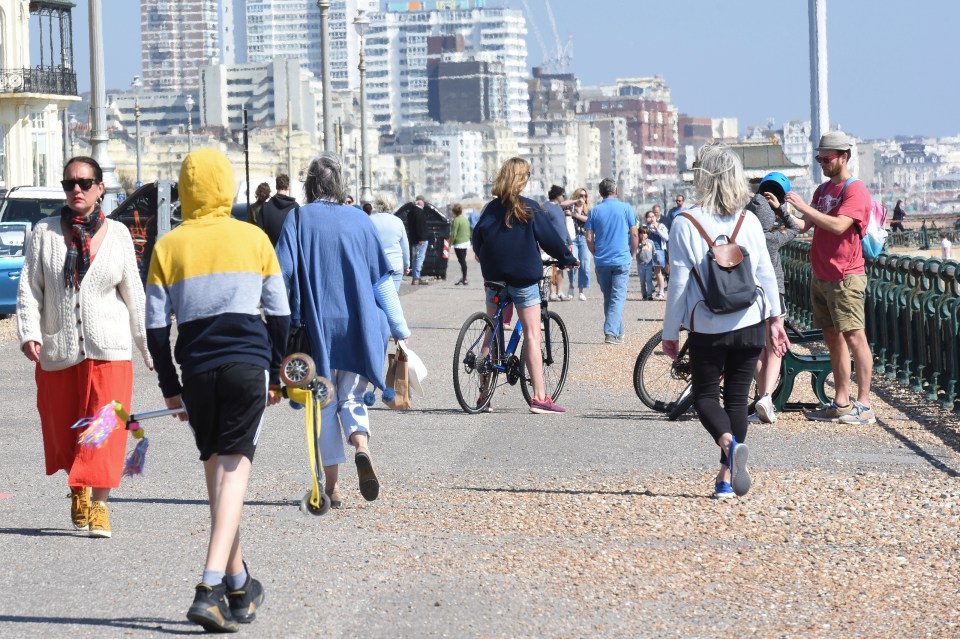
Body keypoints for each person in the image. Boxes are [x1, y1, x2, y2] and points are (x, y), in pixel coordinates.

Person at [145, 149, 288, 631]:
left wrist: (170, 386)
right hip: (247, 364)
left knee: (217, 475)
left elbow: (153, 329)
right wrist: (276, 368)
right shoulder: (253, 238)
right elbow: (281, 314)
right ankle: (208, 588)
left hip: (198, 371)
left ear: (184, 191)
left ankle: (239, 586)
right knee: (235, 473)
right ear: (227, 187)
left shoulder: (168, 245)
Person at [17, 155, 152, 539]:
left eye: (84, 182)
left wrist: (145, 345)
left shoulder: (120, 235)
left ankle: (101, 506)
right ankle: (78, 487)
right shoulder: (44, 232)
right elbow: (30, 288)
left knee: (104, 431)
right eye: (69, 183)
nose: (76, 189)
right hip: (59, 351)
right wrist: (30, 333)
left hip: (110, 350)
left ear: (100, 189)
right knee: (66, 429)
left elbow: (134, 295)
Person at [275, 152, 411, 509]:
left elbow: (281, 276)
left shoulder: (298, 220)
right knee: (351, 398)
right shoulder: (360, 221)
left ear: (309, 185)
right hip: (360, 327)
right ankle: (362, 447)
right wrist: (399, 328)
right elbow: (382, 282)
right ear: (340, 185)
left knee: (323, 404)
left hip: (316, 331)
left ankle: (332, 487)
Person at [662, 143, 789, 499]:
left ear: (703, 178)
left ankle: (729, 446)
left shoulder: (685, 221)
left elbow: (679, 283)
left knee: (704, 396)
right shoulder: (749, 220)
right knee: (736, 400)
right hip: (750, 321)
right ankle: (726, 478)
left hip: (708, 323)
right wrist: (775, 320)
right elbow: (765, 273)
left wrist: (670, 333)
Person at [472, 157, 577, 414]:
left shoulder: (489, 209)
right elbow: (550, 240)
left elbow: (477, 240)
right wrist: (567, 258)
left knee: (491, 329)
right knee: (532, 333)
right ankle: (540, 397)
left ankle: (483, 394)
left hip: (494, 279)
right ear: (523, 180)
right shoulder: (529, 208)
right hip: (523, 279)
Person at [785, 131, 876, 425]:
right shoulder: (822, 191)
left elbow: (838, 226)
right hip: (822, 275)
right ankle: (841, 401)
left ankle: (864, 404)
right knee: (832, 338)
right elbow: (804, 226)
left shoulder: (855, 190)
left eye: (827, 158)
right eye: (819, 158)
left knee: (854, 336)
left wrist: (805, 208)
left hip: (846, 275)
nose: (822, 163)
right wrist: (781, 211)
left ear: (844, 156)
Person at [745, 172, 801, 424]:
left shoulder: (746, 233)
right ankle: (766, 397)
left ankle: (759, 395)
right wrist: (782, 210)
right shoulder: (772, 238)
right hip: (774, 291)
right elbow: (794, 229)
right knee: (775, 346)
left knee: (757, 348)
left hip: (748, 291)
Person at [585, 178, 638, 345]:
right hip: (621, 258)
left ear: (600, 193)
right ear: (616, 190)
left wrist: (595, 252)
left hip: (602, 260)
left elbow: (588, 237)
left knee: (610, 298)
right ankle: (610, 332)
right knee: (617, 298)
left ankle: (619, 332)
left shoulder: (594, 211)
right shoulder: (626, 208)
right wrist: (632, 252)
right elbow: (635, 234)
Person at [367, 198, 410, 291]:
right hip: (395, 264)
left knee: (377, 299)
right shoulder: (398, 221)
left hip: (376, 265)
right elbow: (405, 247)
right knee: (393, 298)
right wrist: (407, 265)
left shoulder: (370, 220)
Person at [542, 185, 574, 300]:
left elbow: (564, 226)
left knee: (561, 268)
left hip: (562, 243)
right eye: (563, 195)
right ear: (557, 195)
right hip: (551, 244)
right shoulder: (545, 207)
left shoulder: (560, 209)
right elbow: (544, 227)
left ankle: (559, 291)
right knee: (551, 268)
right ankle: (551, 293)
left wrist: (570, 242)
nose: (564, 197)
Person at [259, 173, 299, 246]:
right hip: (290, 253)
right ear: (288, 187)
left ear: (276, 186)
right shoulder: (296, 208)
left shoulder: (265, 207)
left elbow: (258, 233)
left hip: (271, 252)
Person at [568, 187, 592, 300]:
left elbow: (588, 220)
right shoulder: (570, 207)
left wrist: (575, 215)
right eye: (581, 195)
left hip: (584, 237)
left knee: (585, 265)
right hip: (572, 238)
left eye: (585, 196)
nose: (583, 198)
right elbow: (561, 206)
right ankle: (571, 286)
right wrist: (573, 204)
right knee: (573, 262)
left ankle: (581, 290)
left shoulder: (588, 209)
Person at [643, 210, 669, 300]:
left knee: (658, 271)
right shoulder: (644, 227)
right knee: (646, 272)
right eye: (649, 217)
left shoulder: (661, 226)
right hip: (646, 251)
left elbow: (666, 237)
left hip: (658, 250)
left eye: (653, 216)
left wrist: (657, 229)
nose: (651, 218)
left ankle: (661, 292)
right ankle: (651, 290)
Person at [408, 195, 430, 285]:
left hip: (414, 239)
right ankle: (417, 278)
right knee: (419, 258)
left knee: (415, 259)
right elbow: (420, 226)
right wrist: (421, 238)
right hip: (421, 240)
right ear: (420, 202)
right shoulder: (419, 212)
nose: (424, 204)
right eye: (424, 202)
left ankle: (415, 277)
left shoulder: (411, 212)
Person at [450, 203, 471, 285]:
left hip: (459, 243)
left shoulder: (456, 220)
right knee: (463, 260)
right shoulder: (465, 219)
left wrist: (450, 244)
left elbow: (454, 233)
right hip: (466, 242)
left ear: (454, 212)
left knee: (461, 261)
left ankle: (464, 278)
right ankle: (464, 277)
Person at [637, 226, 655, 300]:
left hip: (649, 264)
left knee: (649, 279)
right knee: (642, 281)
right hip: (640, 264)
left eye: (644, 233)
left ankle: (649, 295)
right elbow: (636, 252)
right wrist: (641, 245)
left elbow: (654, 252)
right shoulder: (637, 242)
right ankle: (644, 294)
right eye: (641, 233)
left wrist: (655, 260)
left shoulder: (651, 242)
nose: (643, 235)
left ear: (647, 234)